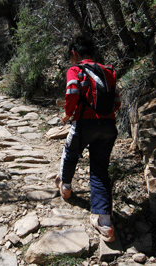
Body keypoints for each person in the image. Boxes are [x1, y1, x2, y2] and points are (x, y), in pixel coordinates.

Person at [55, 36, 121, 242]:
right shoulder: (108, 71)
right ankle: (104, 222)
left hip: (84, 123)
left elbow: (72, 92)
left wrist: (68, 113)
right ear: (93, 53)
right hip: (109, 125)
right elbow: (117, 100)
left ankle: (65, 187)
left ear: (75, 54)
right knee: (100, 168)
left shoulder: (75, 70)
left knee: (70, 152)